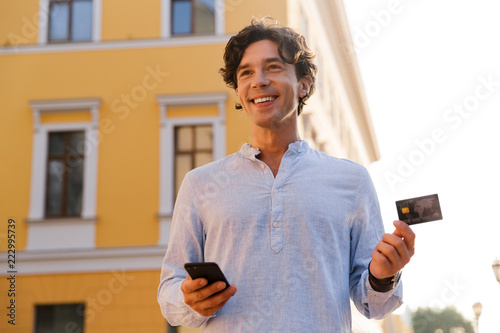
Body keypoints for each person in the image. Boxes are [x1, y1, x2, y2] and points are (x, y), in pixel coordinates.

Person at [157, 17, 415, 332]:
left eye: (274, 67)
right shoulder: (200, 184)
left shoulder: (352, 180)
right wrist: (188, 298)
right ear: (238, 90)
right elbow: (170, 290)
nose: (259, 80)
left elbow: (374, 306)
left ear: (304, 83)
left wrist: (383, 275)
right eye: (246, 72)